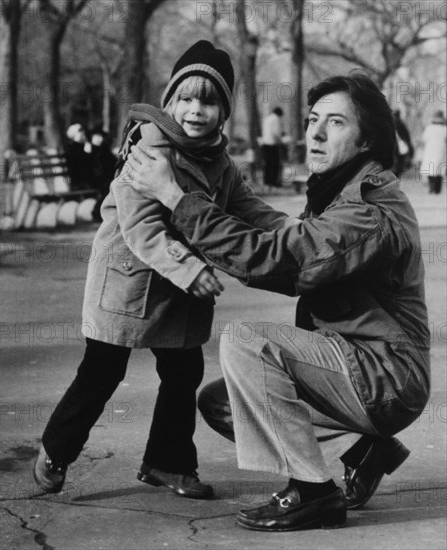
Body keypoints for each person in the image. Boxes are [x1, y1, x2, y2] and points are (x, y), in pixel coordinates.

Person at [125, 74, 430, 531]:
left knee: (247, 340)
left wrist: (176, 197)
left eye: (335, 122)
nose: (316, 133)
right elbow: (285, 236)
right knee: (224, 403)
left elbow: (276, 259)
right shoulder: (339, 192)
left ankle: (313, 493)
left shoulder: (366, 213)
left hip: (384, 374)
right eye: (311, 120)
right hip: (356, 366)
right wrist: (221, 199)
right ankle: (363, 450)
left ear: (367, 139)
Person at [33, 41, 292, 500]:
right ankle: (56, 448)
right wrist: (192, 270)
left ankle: (166, 462)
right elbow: (142, 227)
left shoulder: (219, 161)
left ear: (224, 110)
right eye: (187, 98)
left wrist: (293, 230)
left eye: (209, 101)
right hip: (130, 279)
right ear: (170, 100)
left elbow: (249, 208)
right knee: (102, 371)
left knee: (183, 371)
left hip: (177, 290)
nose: (196, 110)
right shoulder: (149, 147)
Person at [89, 127, 118, 221]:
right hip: (94, 178)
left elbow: (113, 164)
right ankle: (97, 212)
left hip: (107, 177)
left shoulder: (105, 150)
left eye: (100, 136)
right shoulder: (89, 150)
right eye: (96, 136)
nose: (99, 139)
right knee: (108, 187)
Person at [419, 110, 446, 194]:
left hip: (430, 150)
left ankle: (431, 188)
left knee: (430, 170)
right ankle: (437, 189)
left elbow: (423, 139)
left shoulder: (429, 128)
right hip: (441, 150)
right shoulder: (445, 128)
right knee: (439, 170)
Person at [65, 123, 95, 190]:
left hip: (88, 180)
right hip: (79, 182)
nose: (83, 133)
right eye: (80, 132)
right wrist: (87, 153)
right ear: (74, 135)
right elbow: (78, 165)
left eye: (83, 131)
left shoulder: (85, 146)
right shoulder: (71, 148)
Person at [261, 107, 284, 186]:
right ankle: (273, 181)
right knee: (275, 164)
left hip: (265, 143)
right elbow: (276, 132)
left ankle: (266, 180)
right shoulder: (276, 119)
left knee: (267, 163)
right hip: (273, 144)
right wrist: (281, 140)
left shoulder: (267, 119)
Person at [392, 109, 414, 178]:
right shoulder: (401, 123)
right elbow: (407, 138)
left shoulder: (388, 122)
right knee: (398, 167)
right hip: (400, 149)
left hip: (393, 147)